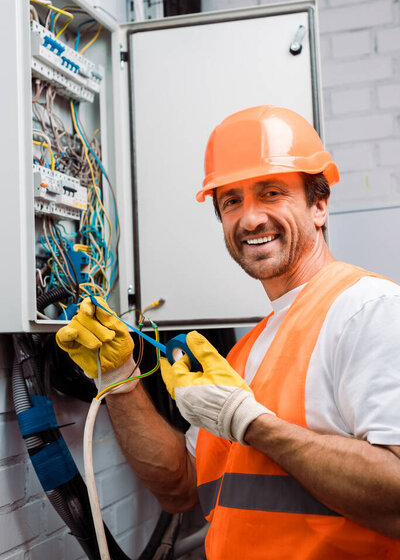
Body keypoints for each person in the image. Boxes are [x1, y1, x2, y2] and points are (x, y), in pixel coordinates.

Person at [57, 106, 400, 559]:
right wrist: (117, 377)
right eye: (231, 201)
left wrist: (250, 422)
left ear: (319, 205)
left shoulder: (368, 309)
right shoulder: (245, 352)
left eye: (271, 192)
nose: (250, 219)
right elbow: (181, 488)